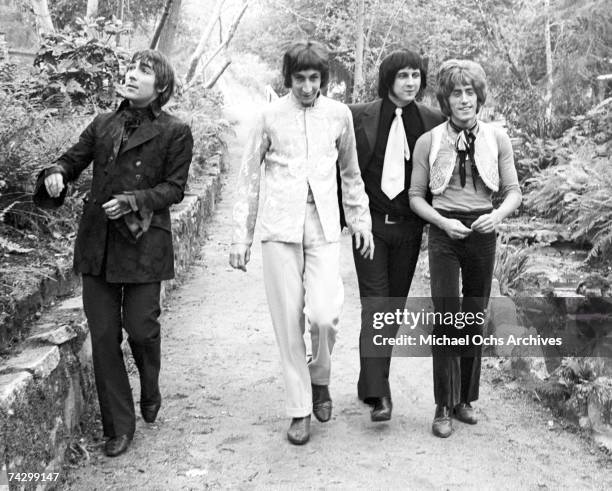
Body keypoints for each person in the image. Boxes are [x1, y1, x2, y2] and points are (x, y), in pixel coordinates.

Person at [33, 49, 193, 456]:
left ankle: (150, 385)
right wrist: (55, 173)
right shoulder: (103, 124)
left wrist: (133, 199)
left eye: (144, 70)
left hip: (144, 244)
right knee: (104, 337)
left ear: (161, 87)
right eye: (131, 67)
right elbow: (72, 159)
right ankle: (118, 427)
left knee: (141, 329)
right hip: (98, 246)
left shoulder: (176, 131)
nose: (131, 74)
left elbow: (174, 189)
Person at [229, 40, 373, 445]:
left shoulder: (339, 115)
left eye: (314, 79)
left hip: (324, 227)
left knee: (325, 315)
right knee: (287, 322)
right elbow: (248, 178)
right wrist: (240, 236)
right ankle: (300, 408)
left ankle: (320, 378)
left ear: (323, 79)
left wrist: (359, 220)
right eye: (299, 78)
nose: (307, 87)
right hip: (279, 229)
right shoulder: (269, 116)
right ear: (288, 78)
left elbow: (351, 174)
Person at [409, 59, 522, 438]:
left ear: (478, 96)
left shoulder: (497, 138)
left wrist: (498, 216)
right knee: (446, 317)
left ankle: (464, 400)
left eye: (469, 92)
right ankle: (442, 403)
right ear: (446, 99)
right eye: (455, 93)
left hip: (482, 230)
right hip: (444, 233)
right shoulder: (430, 141)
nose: (463, 100)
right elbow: (416, 197)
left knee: (474, 314)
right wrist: (441, 222)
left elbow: (513, 192)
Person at [348, 49, 445, 421]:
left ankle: (368, 382)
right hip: (370, 226)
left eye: (416, 76)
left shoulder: (433, 121)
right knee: (376, 306)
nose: (410, 82)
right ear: (388, 78)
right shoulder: (360, 116)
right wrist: (349, 219)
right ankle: (378, 395)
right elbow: (344, 168)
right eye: (403, 75)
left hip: (409, 228)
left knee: (393, 310)